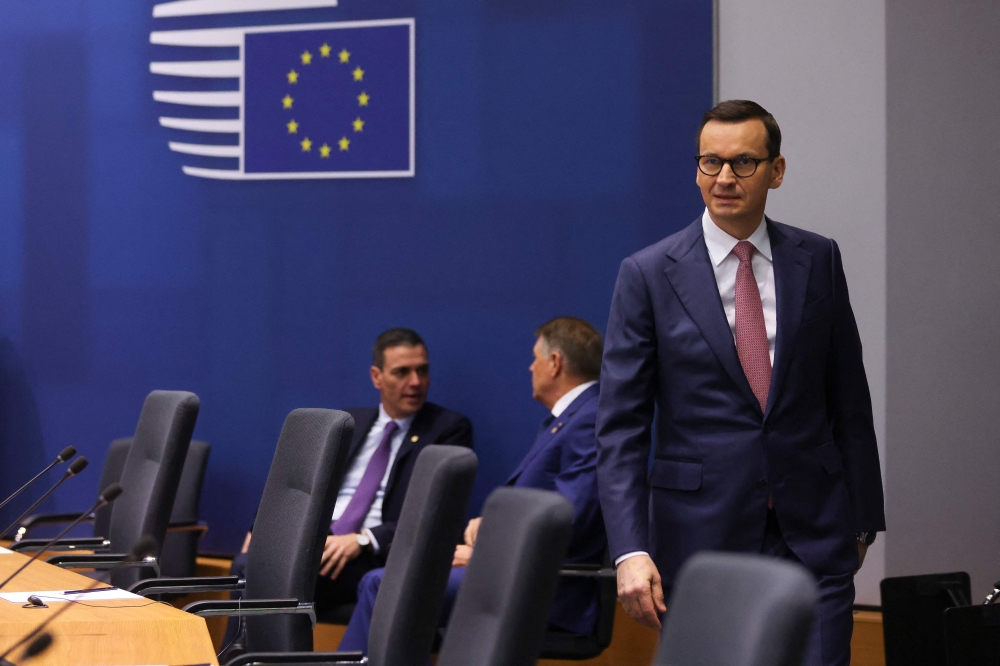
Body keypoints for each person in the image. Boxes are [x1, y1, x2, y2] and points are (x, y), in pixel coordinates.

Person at [596, 100, 885, 666]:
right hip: (700, 540)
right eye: (711, 162)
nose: (724, 178)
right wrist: (629, 549)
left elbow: (848, 396)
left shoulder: (818, 259)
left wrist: (864, 520)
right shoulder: (648, 274)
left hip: (814, 534)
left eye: (744, 162)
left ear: (777, 171)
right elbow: (621, 429)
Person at [338, 317, 607, 652]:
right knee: (382, 586)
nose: (530, 367)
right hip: (523, 573)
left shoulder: (587, 420)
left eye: (535, 358)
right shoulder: (572, 419)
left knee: (384, 586)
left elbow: (572, 517)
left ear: (554, 364)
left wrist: (486, 551)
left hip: (542, 586)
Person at [228, 328, 473, 617]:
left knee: (278, 574)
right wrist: (261, 527)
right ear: (376, 376)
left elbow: (437, 511)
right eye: (402, 372)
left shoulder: (447, 429)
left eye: (422, 370)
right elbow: (297, 482)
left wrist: (363, 540)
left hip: (375, 550)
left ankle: (258, 656)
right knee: (248, 563)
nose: (416, 382)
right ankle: (239, 658)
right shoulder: (350, 422)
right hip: (320, 536)